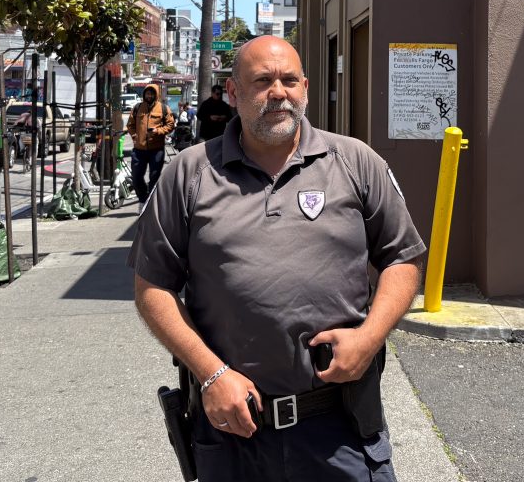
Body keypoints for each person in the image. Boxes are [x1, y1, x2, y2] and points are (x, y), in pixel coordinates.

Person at [129, 35, 425, 482]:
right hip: (234, 431)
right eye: (262, 80)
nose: (278, 92)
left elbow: (403, 257)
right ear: (233, 93)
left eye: (289, 80)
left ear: (304, 87)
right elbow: (152, 286)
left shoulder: (354, 162)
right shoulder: (188, 174)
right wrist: (210, 374)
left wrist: (369, 338)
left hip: (340, 428)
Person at [126, 83, 175, 210]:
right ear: (144, 94)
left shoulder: (164, 108)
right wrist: (134, 135)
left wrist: (157, 131)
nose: (149, 96)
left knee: (154, 177)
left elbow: (170, 126)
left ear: (156, 95)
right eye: (147, 93)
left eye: (152, 93)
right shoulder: (137, 108)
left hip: (156, 149)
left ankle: (150, 203)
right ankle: (143, 199)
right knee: (136, 177)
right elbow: (130, 125)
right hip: (139, 150)